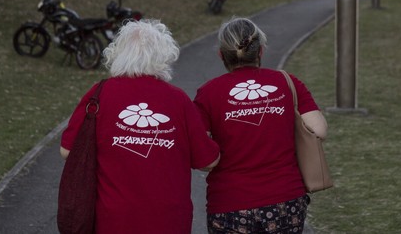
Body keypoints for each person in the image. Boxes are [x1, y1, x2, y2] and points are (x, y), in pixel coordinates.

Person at [60, 19, 220, 234]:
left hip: (113, 220)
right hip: (169, 221)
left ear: (117, 53)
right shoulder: (178, 100)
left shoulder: (99, 94)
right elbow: (208, 161)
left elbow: (67, 150)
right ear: (163, 56)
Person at [194, 17, 328, 234]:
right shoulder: (287, 82)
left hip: (230, 206)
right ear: (261, 51)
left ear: (221, 55)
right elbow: (319, 130)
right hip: (285, 201)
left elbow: (205, 160)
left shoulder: (207, 93)